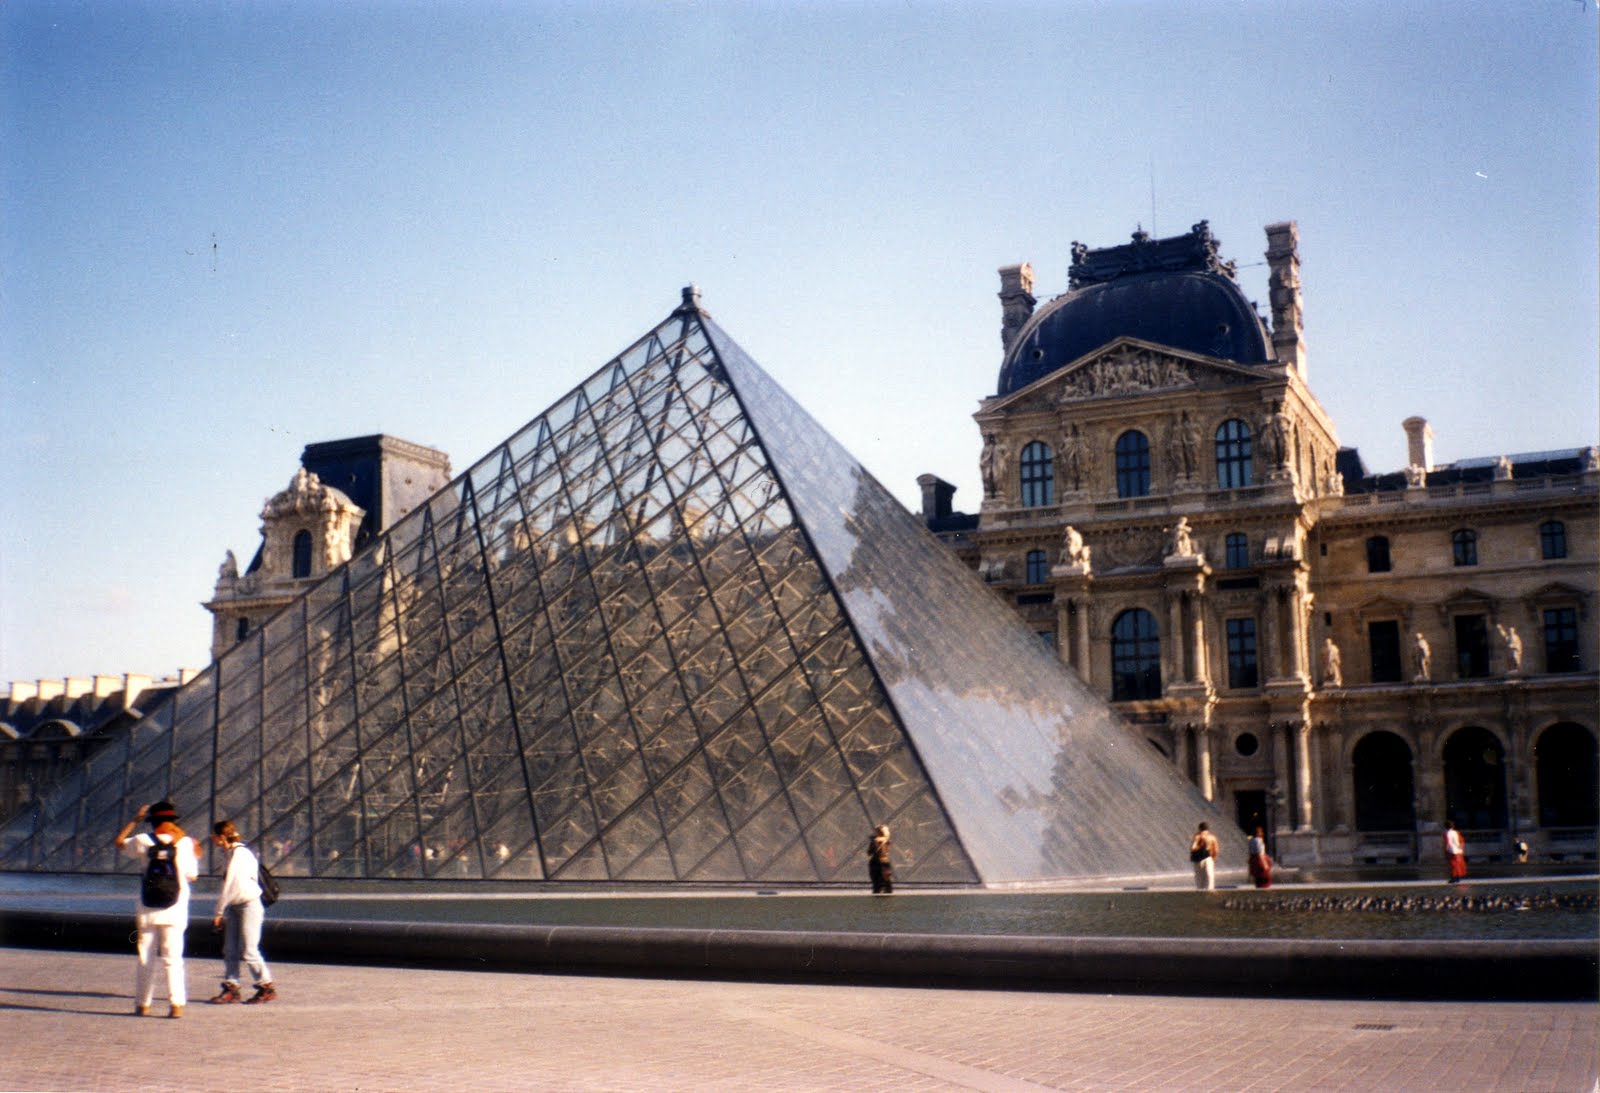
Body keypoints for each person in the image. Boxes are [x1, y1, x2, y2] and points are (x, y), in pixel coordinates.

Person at [114, 801, 201, 1018]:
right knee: (173, 958)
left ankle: (143, 1004)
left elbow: (119, 842)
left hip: (148, 908)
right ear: (172, 821)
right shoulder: (185, 843)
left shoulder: (143, 840)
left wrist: (135, 819)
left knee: (146, 958)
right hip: (176, 908)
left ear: (152, 821)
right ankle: (176, 1005)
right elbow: (193, 876)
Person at [209, 820, 276, 1005]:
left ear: (221, 837)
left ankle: (266, 986)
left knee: (249, 949)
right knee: (230, 949)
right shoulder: (230, 854)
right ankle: (232, 987)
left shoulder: (239, 855)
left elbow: (229, 885)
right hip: (235, 905)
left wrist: (218, 912)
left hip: (248, 905)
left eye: (214, 835)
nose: (212, 839)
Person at [1189, 822, 1219, 891]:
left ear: (1199, 828)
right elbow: (1216, 850)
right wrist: (1213, 859)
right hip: (1208, 858)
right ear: (1208, 829)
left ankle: (1200, 892)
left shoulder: (1197, 836)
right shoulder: (1212, 837)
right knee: (1209, 877)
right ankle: (1209, 892)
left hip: (1197, 859)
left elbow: (1192, 848)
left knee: (1199, 878)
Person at [868, 825, 893, 895]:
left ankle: (880, 892)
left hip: (878, 862)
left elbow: (870, 852)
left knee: (878, 882)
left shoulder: (877, 840)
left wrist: (874, 841)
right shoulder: (886, 841)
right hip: (883, 861)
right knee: (885, 881)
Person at [1444, 819, 1467, 884]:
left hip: (1452, 851)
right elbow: (1462, 841)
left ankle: (1454, 877)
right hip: (1458, 850)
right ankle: (1458, 877)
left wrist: (1446, 850)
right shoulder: (1456, 832)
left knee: (1453, 865)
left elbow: (1447, 843)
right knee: (1459, 864)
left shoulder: (1447, 833)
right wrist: (1461, 848)